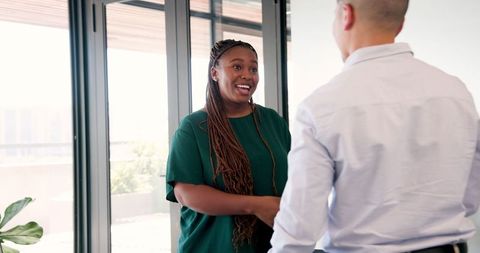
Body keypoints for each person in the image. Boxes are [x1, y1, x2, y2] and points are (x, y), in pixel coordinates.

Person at [270, 0, 480, 252]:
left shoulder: (321, 106)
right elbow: (468, 199)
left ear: (346, 14)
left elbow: (300, 227)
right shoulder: (456, 92)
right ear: (400, 25)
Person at [166, 39, 291, 253]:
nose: (247, 75)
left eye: (253, 68)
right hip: (210, 246)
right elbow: (186, 193)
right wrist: (256, 205)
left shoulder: (272, 121)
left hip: (272, 245)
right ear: (215, 73)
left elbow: (295, 177)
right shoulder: (194, 127)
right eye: (237, 66)